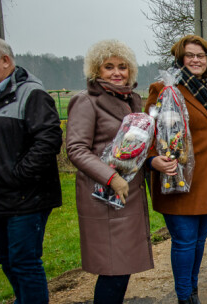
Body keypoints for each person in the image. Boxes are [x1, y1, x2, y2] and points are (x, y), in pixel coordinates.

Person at [66, 39, 154, 304]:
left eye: (123, 67)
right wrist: (111, 177)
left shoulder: (131, 101)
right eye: (109, 67)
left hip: (128, 195)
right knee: (113, 270)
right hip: (104, 197)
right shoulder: (86, 101)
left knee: (121, 268)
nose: (117, 72)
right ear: (96, 70)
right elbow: (77, 149)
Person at [145, 35, 207, 304]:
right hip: (179, 176)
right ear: (180, 59)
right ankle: (185, 297)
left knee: (199, 240)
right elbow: (146, 132)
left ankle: (193, 291)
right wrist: (152, 160)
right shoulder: (164, 88)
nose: (196, 60)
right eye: (190, 55)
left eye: (201, 55)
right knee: (184, 240)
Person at [0, 36, 63, 303]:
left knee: (24, 261)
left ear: (4, 60)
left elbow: (49, 140)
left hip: (26, 196)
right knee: (5, 259)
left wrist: (19, 175)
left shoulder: (32, 94)